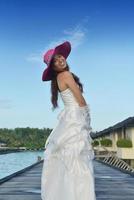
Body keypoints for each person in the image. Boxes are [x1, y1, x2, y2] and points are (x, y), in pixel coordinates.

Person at [41, 41, 96, 200]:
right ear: (53, 68)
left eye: (60, 57)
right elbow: (80, 100)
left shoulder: (58, 79)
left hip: (68, 118)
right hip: (76, 116)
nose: (60, 60)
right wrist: (87, 119)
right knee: (78, 160)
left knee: (68, 160)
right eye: (55, 61)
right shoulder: (66, 75)